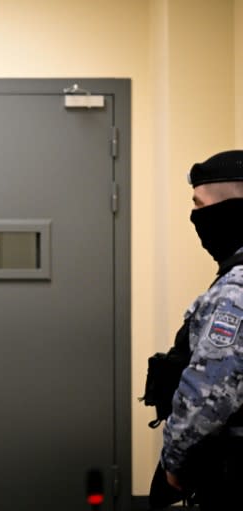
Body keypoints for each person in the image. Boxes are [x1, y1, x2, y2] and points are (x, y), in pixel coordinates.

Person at [160, 150, 243, 509]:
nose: (195, 216)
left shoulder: (235, 291)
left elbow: (207, 396)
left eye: (199, 205)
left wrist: (174, 462)